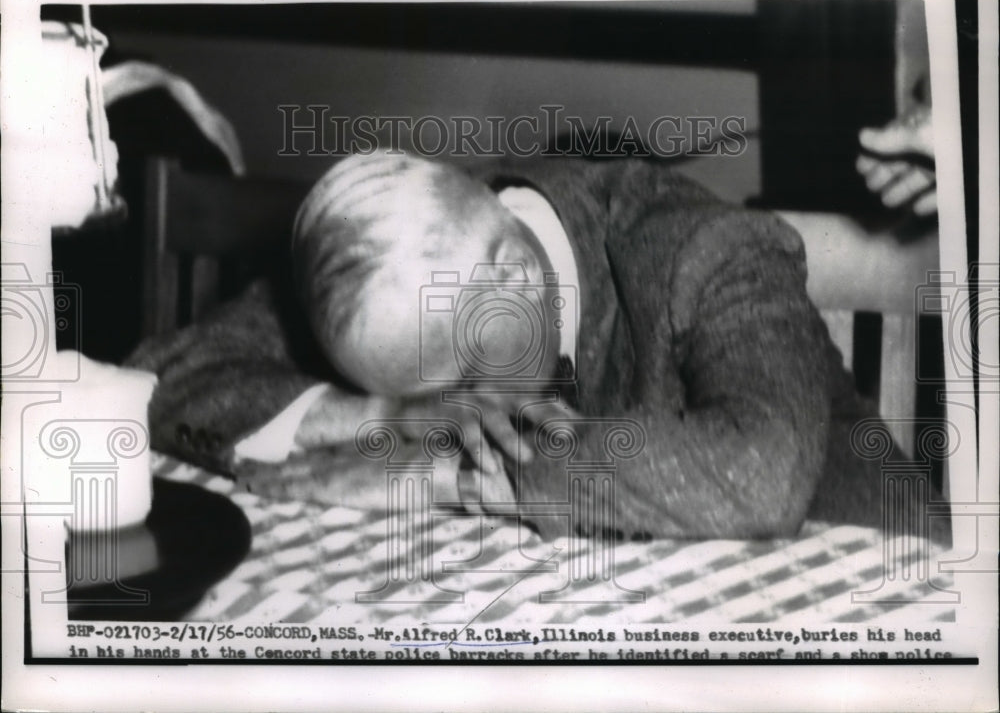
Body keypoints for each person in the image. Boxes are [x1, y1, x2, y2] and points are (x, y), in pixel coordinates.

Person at [128, 150, 922, 542]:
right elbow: (152, 376)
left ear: (515, 274)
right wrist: (393, 414)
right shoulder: (411, 268)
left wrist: (446, 473)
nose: (459, 408)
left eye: (468, 377)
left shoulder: (709, 250)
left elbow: (762, 473)